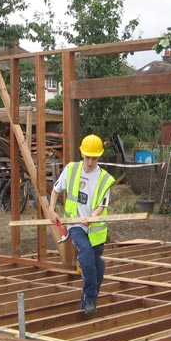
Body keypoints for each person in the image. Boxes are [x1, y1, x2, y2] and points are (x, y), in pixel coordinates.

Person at [49, 134, 116, 317]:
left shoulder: (104, 179)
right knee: (85, 253)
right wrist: (51, 209)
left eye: (94, 158)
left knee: (97, 268)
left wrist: (92, 216)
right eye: (87, 157)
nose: (89, 162)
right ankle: (91, 298)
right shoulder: (71, 170)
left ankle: (85, 305)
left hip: (95, 229)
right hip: (75, 224)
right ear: (82, 154)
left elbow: (102, 206)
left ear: (99, 157)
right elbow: (55, 190)